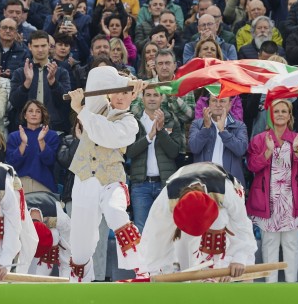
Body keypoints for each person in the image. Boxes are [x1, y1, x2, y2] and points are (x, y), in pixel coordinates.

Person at [66, 66, 147, 282]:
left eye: (126, 92)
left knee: (115, 210)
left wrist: (80, 111)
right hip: (84, 179)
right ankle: (81, 285)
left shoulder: (130, 123)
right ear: (109, 92)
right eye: (117, 91)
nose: (121, 96)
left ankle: (141, 269)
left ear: (133, 96)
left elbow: (105, 135)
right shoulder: (97, 105)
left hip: (111, 179)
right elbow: (97, 75)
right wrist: (124, 79)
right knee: (80, 244)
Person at [140, 162, 256, 278]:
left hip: (223, 204)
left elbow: (241, 224)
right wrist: (159, 272)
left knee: (220, 221)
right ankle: (192, 272)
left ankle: (217, 268)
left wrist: (239, 258)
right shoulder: (166, 198)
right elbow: (154, 237)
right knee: (183, 247)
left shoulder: (225, 190)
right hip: (185, 193)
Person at [246, 99, 298, 282]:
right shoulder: (259, 139)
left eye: (284, 111)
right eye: (276, 111)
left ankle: (291, 287)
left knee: (292, 244)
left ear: (290, 115)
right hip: (268, 199)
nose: (281, 114)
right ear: (270, 115)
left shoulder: (297, 139)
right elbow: (252, 166)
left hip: (292, 199)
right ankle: (271, 290)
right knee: (269, 244)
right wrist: (267, 152)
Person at [126, 87, 183, 232]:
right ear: (142, 98)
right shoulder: (133, 121)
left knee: (167, 230)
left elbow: (174, 152)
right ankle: (143, 256)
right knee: (142, 230)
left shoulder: (171, 119)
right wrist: (148, 137)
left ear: (161, 98)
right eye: (148, 95)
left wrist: (161, 130)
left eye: (156, 95)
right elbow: (129, 152)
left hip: (165, 184)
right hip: (140, 186)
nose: (152, 98)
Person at [188, 95, 248, 186]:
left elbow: (241, 150)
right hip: (204, 183)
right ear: (209, 104)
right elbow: (194, 148)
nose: (218, 104)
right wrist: (206, 128)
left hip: (230, 184)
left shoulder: (239, 126)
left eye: (222, 101)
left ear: (230, 104)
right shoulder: (197, 124)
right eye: (214, 101)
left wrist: (223, 131)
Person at [6, 100, 60, 194]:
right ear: (25, 115)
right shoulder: (14, 136)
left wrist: (41, 141)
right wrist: (23, 143)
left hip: (44, 185)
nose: (34, 114)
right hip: (19, 184)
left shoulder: (51, 135)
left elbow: (50, 161)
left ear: (42, 116)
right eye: (30, 111)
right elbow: (11, 164)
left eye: (38, 111)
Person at [26, 191, 72, 278]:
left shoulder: (61, 219)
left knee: (54, 233)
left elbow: (68, 250)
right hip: (24, 234)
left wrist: (66, 278)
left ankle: (43, 277)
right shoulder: (17, 215)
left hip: (52, 209)